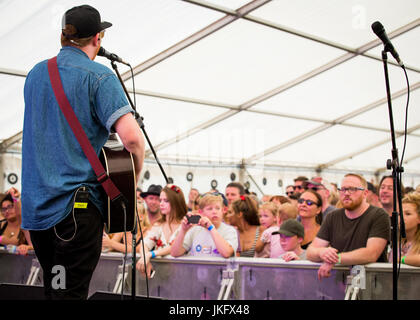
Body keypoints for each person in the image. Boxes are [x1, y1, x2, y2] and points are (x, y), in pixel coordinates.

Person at [21, 4, 145, 300]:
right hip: (75, 213)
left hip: (38, 213)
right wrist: (131, 183)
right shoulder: (100, 76)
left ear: (63, 37)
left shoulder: (36, 74)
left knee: (56, 290)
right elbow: (131, 139)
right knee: (69, 295)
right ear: (98, 38)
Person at [306, 173, 390, 280]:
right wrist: (321, 252)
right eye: (343, 189)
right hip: (340, 285)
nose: (346, 193)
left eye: (352, 189)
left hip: (372, 286)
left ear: (365, 193)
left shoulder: (379, 215)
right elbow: (310, 251)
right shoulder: (332, 217)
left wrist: (335, 259)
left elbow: (371, 253)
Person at [136, 184, 187, 277]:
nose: (161, 204)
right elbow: (144, 244)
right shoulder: (158, 225)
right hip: (160, 276)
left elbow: (174, 247)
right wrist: (145, 258)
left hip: (180, 275)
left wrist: (150, 254)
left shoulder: (185, 225)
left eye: (166, 201)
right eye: (161, 200)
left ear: (176, 202)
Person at [170, 194, 238, 258]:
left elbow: (226, 253)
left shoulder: (229, 231)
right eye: (210, 209)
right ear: (201, 212)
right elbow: (174, 253)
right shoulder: (195, 230)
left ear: (223, 210)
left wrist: (211, 228)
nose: (214, 211)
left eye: (217, 208)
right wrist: (183, 230)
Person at [388, 192, 420, 267]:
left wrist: (402, 259)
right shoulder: (397, 242)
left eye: (408, 214)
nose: (401, 218)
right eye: (399, 214)